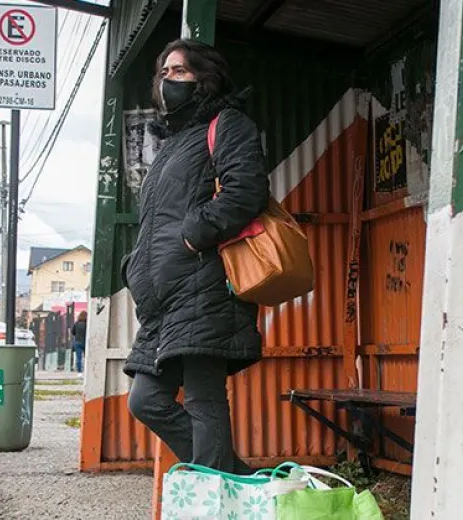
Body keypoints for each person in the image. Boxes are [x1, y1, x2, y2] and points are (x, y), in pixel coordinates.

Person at [121, 38, 269, 475]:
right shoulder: (172, 144)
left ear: (205, 78)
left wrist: (194, 234)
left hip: (205, 288)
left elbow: (247, 191)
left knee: (204, 402)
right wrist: (136, 268)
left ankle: (216, 492)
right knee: (146, 400)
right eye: (164, 73)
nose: (169, 80)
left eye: (180, 72)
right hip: (166, 302)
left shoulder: (227, 124)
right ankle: (234, 479)